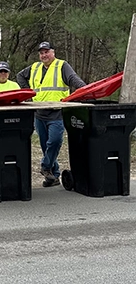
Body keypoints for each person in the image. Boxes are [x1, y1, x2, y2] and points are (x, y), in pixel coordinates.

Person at [17, 42, 86, 187]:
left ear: (53, 52)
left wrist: (86, 90)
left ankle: (45, 165)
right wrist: (27, 93)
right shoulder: (35, 67)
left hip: (57, 112)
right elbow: (20, 76)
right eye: (41, 53)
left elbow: (74, 79)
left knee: (54, 142)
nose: (44, 55)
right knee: (44, 145)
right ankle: (53, 177)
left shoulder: (62, 65)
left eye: (47, 52)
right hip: (39, 113)